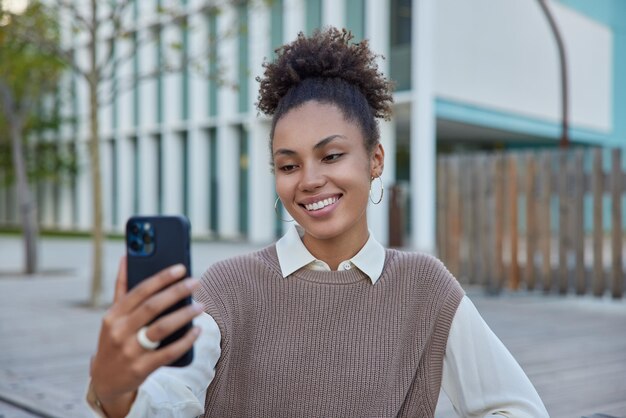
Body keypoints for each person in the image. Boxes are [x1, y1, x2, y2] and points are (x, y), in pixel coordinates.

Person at [87, 27, 549, 418]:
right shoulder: (230, 287)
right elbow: (167, 401)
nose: (309, 180)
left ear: (375, 159)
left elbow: (519, 407)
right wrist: (115, 391)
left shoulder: (424, 287)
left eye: (331, 156)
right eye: (288, 166)